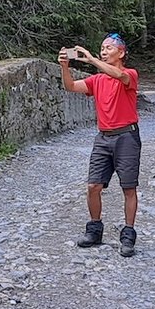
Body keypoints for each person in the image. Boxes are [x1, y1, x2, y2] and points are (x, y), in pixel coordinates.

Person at [60, 34, 142, 257]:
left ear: (121, 53)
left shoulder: (129, 74)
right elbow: (70, 87)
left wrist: (90, 60)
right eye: (101, 48)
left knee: (128, 187)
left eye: (108, 48)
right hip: (103, 137)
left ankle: (128, 235)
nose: (104, 51)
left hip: (127, 136)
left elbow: (119, 75)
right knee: (93, 186)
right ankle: (94, 229)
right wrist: (65, 67)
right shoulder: (96, 81)